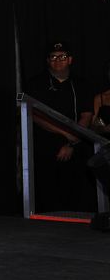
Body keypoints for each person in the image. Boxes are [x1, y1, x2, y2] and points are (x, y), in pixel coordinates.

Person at [25, 42, 95, 213]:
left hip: (76, 148)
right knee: (47, 197)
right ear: (47, 60)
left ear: (70, 59)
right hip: (45, 149)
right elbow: (34, 115)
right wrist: (65, 134)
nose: (58, 60)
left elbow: (86, 116)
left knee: (75, 197)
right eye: (53, 57)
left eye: (62, 56)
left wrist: (71, 142)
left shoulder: (81, 84)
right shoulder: (35, 83)